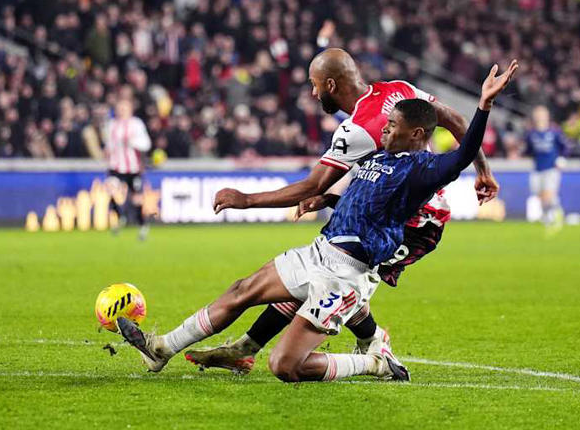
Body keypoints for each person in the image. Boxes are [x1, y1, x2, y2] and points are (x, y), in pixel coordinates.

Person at [115, 60, 518, 383]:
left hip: (398, 233)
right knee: (249, 289)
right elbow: (443, 122)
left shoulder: (376, 142)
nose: (310, 93)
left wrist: (248, 200)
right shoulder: (394, 104)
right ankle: (167, 348)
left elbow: (458, 144)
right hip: (335, 242)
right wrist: (325, 197)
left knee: (292, 354)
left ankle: (374, 354)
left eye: (313, 85)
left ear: (329, 85)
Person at [103, 98, 152, 240]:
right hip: (115, 167)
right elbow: (108, 144)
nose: (121, 110)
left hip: (133, 168)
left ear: (130, 109)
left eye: (124, 108)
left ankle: (142, 226)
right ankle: (120, 216)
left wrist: (133, 142)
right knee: (110, 190)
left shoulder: (136, 124)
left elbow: (146, 144)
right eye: (119, 108)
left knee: (136, 199)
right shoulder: (111, 125)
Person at [524, 106, 566, 228]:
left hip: (551, 168)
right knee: (538, 193)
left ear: (547, 116)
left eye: (542, 114)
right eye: (537, 114)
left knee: (549, 193)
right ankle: (548, 215)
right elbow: (528, 150)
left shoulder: (554, 132)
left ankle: (557, 214)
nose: (540, 117)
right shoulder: (531, 134)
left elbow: (565, 147)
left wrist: (561, 158)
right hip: (537, 169)